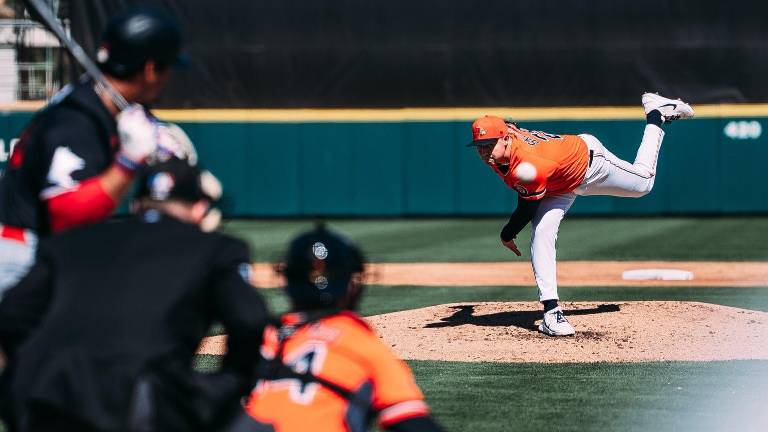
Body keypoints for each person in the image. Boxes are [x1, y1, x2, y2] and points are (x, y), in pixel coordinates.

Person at [0, 159, 269, 432]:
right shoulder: (216, 248)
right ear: (200, 208)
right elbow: (249, 320)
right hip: (136, 397)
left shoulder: (70, 242)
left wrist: (30, 368)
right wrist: (229, 384)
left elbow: (11, 315)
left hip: (44, 391)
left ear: (136, 205)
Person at [467, 93, 694, 336]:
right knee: (542, 233)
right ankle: (551, 312)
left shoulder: (529, 164)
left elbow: (527, 209)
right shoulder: (505, 139)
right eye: (480, 146)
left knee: (643, 184)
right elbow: (508, 124)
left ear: (505, 138)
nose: (484, 152)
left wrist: (507, 233)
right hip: (557, 181)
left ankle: (655, 114)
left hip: (588, 165)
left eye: (489, 145)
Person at [0, 5, 187, 295]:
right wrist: (127, 162)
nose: (168, 79)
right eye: (168, 69)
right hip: (17, 258)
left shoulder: (96, 105)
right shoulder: (76, 122)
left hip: (35, 252)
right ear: (150, 70)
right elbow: (67, 218)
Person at [226, 225, 445, 432]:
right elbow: (412, 422)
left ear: (288, 282)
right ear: (351, 286)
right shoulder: (364, 346)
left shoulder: (260, 337)